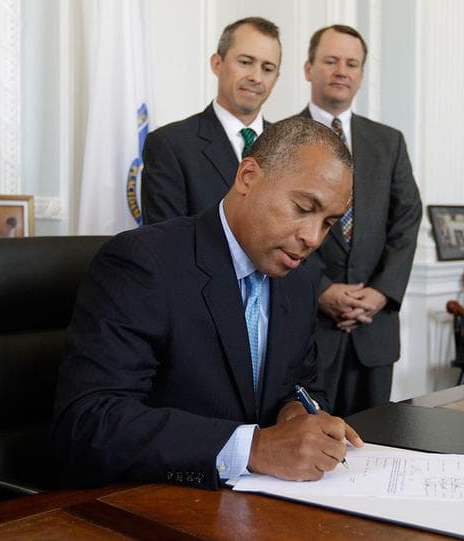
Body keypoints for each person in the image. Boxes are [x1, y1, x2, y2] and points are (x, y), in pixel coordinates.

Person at [52, 117, 363, 489]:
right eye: (302, 207)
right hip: (151, 503)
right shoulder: (143, 263)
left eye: (328, 223)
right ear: (248, 177)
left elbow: (305, 384)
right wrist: (253, 449)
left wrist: (296, 413)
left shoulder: (299, 280)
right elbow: (90, 423)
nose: (313, 238)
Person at [295, 25, 422, 418]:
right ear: (308, 68)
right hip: (309, 326)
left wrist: (381, 292)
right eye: (331, 61)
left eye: (352, 63)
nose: (342, 71)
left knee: (377, 446)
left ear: (362, 74)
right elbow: (277, 224)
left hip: (374, 327)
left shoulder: (389, 142)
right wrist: (321, 290)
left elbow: (407, 219)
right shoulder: (283, 137)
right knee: (311, 440)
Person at [141, 17, 282, 225]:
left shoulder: (289, 147)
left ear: (276, 78)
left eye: (268, 68)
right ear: (217, 64)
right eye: (245, 62)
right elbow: (166, 244)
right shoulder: (170, 145)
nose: (256, 77)